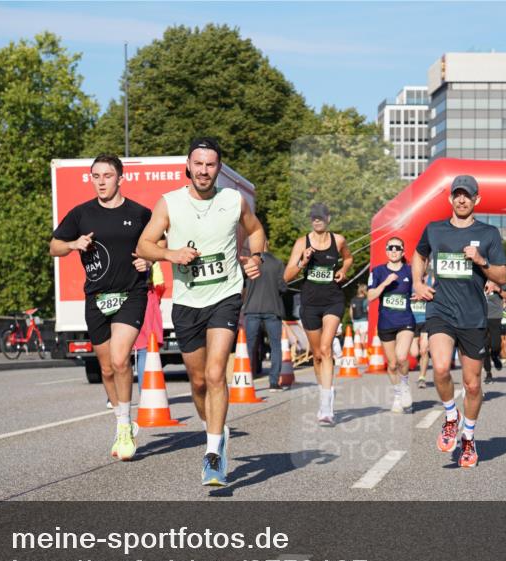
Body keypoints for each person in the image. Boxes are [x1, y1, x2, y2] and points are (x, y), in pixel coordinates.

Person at [136, 137, 266, 487]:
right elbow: (143, 245)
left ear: (218, 168)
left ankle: (212, 453)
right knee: (197, 382)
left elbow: (255, 230)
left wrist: (256, 258)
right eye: (198, 164)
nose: (204, 170)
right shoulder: (170, 203)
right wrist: (170, 254)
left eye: (210, 165)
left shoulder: (233, 200)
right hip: (187, 302)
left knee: (215, 372)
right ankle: (215, 430)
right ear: (188, 166)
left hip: (225, 296)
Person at [51, 154, 152, 461]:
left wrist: (149, 261)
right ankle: (122, 421)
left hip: (131, 293)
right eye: (96, 176)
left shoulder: (139, 213)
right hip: (96, 297)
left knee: (121, 360)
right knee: (106, 368)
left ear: (120, 178)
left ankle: (124, 428)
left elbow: (158, 244)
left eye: (107, 176)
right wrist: (73, 245)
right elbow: (54, 246)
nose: (101, 181)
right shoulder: (81, 214)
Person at [412, 175, 506, 469]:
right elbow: (419, 254)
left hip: (473, 316)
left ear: (477, 199)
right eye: (457, 195)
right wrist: (417, 283)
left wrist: (481, 261)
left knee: (472, 385)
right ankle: (451, 416)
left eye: (467, 195)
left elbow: (502, 275)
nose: (462, 199)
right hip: (440, 310)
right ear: (450, 198)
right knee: (440, 368)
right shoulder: (434, 229)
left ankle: (468, 438)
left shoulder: (488, 234)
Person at [284, 202, 353, 426]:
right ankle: (325, 390)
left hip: (333, 300)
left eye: (321, 217)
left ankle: (326, 405)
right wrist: (303, 262)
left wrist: (343, 270)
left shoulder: (338, 240)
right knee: (316, 355)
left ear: (328, 219)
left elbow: (348, 258)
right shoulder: (301, 243)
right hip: (310, 303)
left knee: (326, 348)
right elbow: (287, 276)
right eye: (313, 217)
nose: (317, 220)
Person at [367, 237, 416, 412]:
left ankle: (405, 385)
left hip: (405, 321)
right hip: (386, 322)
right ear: (386, 251)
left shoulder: (410, 270)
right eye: (390, 248)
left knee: (402, 357)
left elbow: (420, 286)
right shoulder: (378, 271)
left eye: (397, 248)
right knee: (393, 364)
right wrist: (386, 283)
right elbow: (370, 296)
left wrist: (419, 294)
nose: (394, 250)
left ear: (403, 252)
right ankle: (397, 394)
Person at [243, 241, 287, 392]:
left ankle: (246, 381)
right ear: (267, 243)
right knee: (275, 346)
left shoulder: (248, 263)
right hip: (272, 309)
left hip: (252, 309)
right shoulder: (277, 263)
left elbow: (241, 284)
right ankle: (274, 383)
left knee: (249, 347)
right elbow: (282, 287)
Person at [133, 261, 166, 395]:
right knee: (144, 350)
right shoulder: (147, 251)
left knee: (120, 352)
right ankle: (145, 393)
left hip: (120, 296)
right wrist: (157, 295)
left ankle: (115, 397)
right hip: (145, 294)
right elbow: (159, 282)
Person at [482, 280, 506, 384]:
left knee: (495, 345)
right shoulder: (478, 279)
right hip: (480, 318)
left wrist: (496, 288)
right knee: (484, 347)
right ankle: (488, 373)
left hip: (495, 318)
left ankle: (495, 356)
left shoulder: (499, 281)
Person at [410, 276, 430, 389]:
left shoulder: (429, 284)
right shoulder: (409, 286)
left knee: (424, 350)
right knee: (414, 353)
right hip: (413, 322)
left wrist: (424, 296)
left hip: (425, 320)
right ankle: (420, 360)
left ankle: (422, 377)